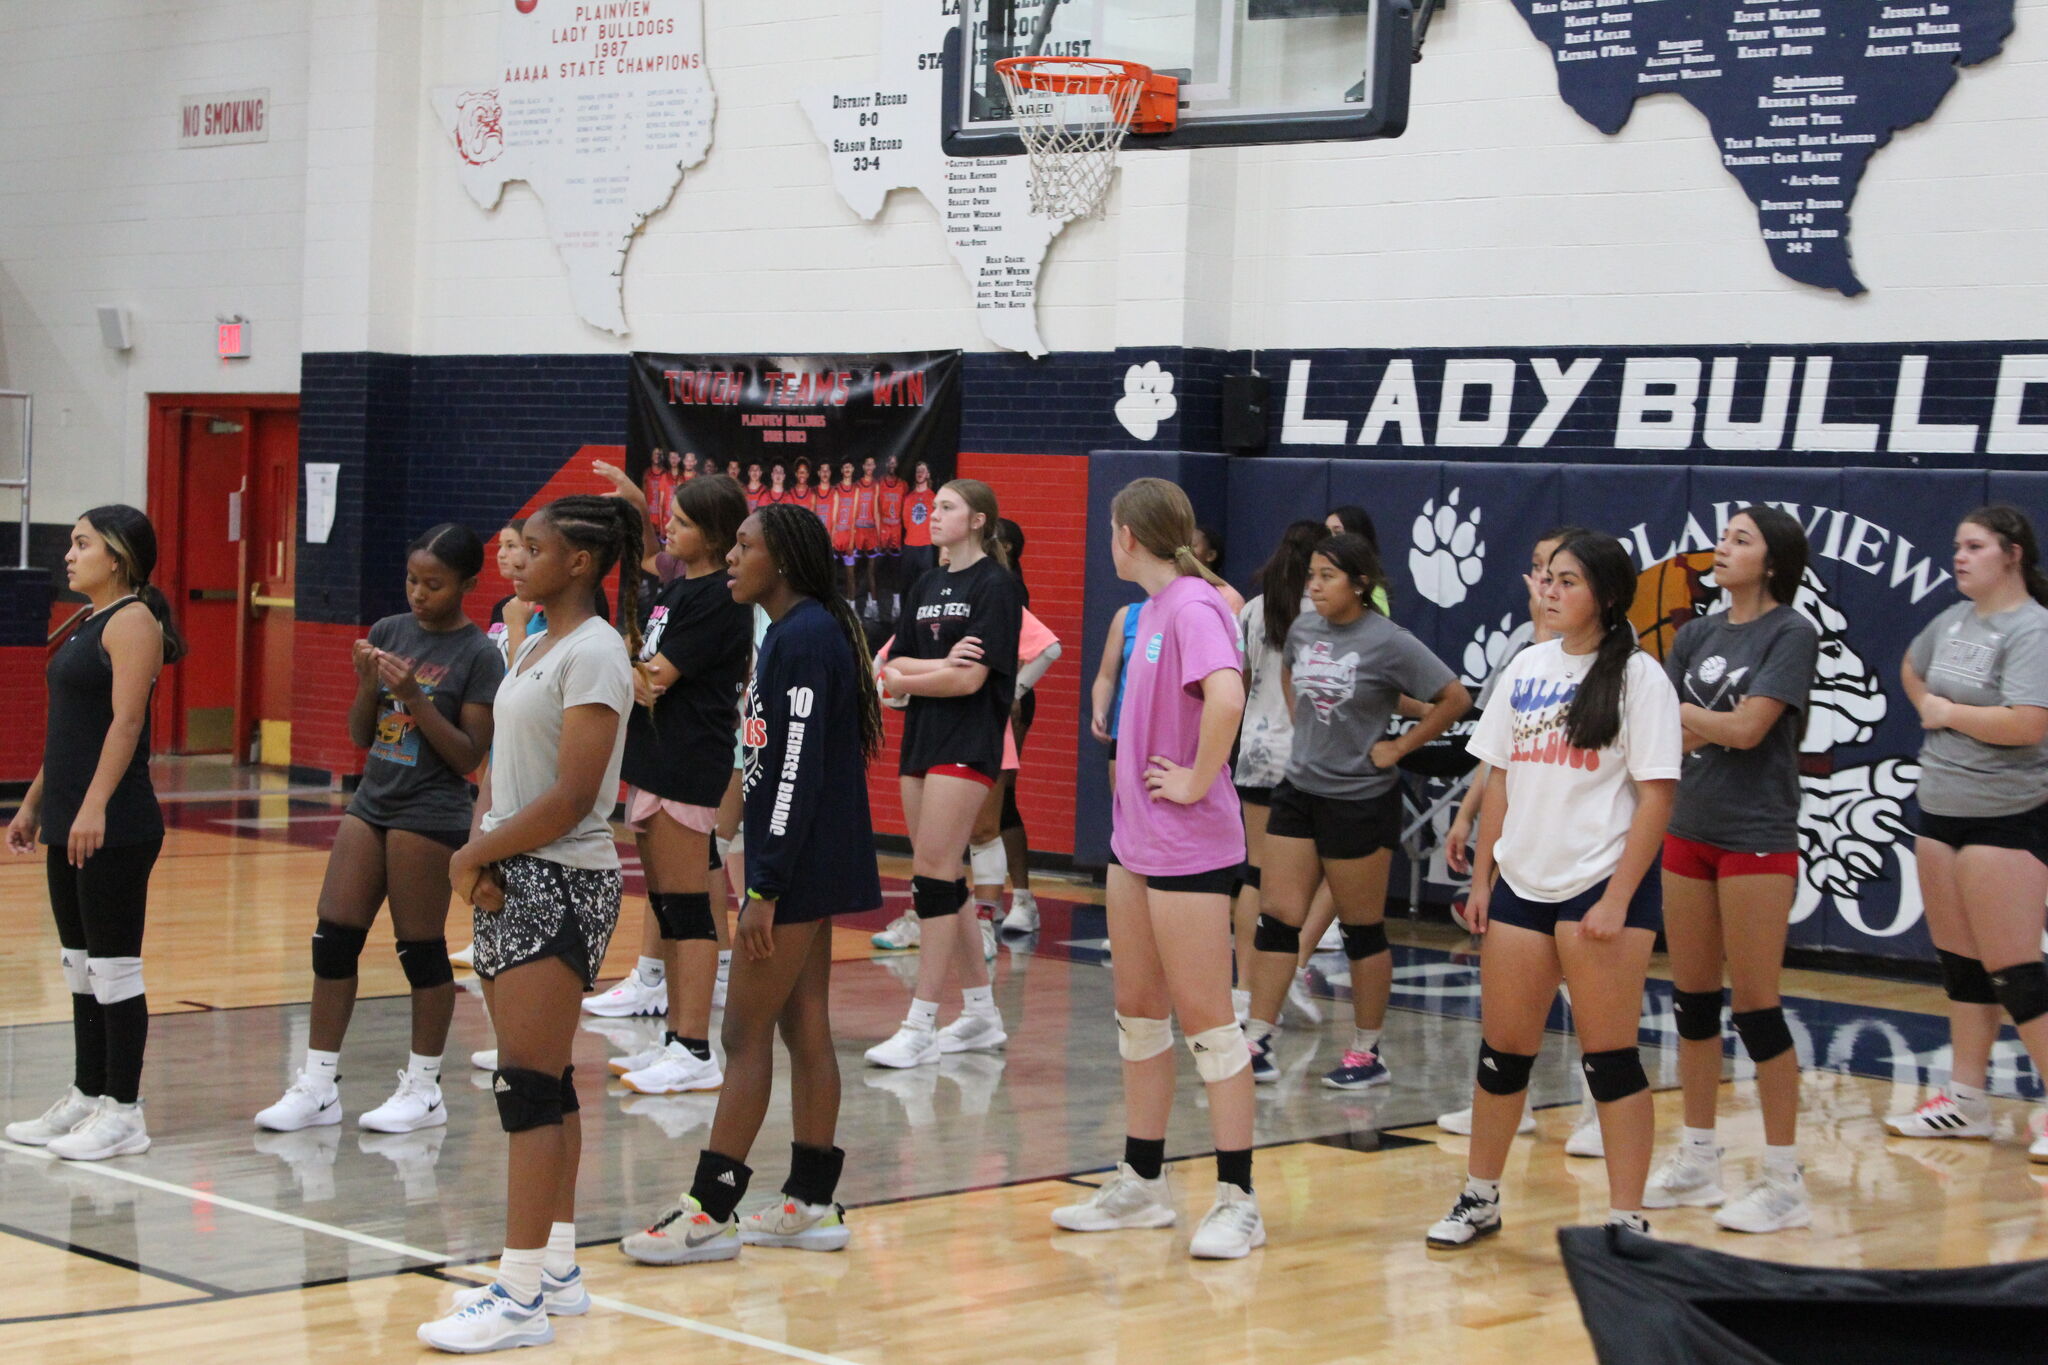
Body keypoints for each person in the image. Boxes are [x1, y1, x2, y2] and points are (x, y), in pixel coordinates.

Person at [621, 504, 884, 1264]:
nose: (733, 556)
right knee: (804, 1025)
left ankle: (710, 1210)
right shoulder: (795, 633)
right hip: (803, 859)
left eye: (746, 545)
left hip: (796, 867)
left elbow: (795, 770)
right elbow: (773, 763)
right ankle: (813, 1199)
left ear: (786, 561)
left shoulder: (802, 638)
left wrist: (763, 886)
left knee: (741, 1033)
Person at [415, 496, 637, 1353]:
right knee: (544, 1077)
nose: (517, 558)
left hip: (560, 876)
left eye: (534, 547)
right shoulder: (536, 640)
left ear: (580, 561)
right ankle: (558, 1266)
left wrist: (471, 858)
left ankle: (516, 1297)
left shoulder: (596, 651)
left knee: (527, 1088)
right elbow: (504, 773)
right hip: (513, 868)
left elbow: (576, 795)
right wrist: (478, 847)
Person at [1426, 530, 1681, 1248]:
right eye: (1547, 578)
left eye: (1567, 580)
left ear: (1603, 595)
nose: (1550, 590)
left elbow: (1656, 797)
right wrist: (1484, 876)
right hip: (1523, 883)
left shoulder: (1639, 678)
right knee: (1503, 1052)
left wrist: (1618, 897)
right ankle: (1480, 1195)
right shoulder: (1528, 666)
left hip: (1599, 883)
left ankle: (1628, 1216)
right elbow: (1501, 774)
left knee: (1609, 1056)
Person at [1049, 477, 1262, 1258]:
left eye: (1111, 529)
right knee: (1139, 1014)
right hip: (1134, 842)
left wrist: (1200, 780)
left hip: (1188, 845)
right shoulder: (1149, 612)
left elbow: (1228, 699)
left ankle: (1239, 1197)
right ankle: (1144, 1181)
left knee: (1208, 1021)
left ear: (1127, 537)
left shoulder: (1196, 607)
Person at [253, 525, 503, 1138]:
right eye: (413, 580)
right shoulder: (391, 631)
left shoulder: (478, 655)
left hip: (430, 810)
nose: (419, 593)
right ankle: (317, 1083)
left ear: (468, 585)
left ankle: (423, 1088)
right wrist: (369, 683)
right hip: (373, 801)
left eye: (434, 584)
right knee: (333, 938)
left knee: (419, 950)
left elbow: (468, 755)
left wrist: (415, 696)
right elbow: (361, 736)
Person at [1641, 506, 1820, 1232]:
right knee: (1691, 1002)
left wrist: (1687, 713)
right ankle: (1699, 1155)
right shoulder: (1697, 632)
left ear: (1773, 560)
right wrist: (1685, 719)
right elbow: (1665, 732)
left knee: (1756, 1006)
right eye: (1725, 535)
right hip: (1690, 829)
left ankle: (1783, 1177)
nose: (1725, 546)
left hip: (1756, 834)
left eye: (1742, 539)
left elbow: (1749, 729)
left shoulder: (1791, 632)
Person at [1243, 534, 1469, 1088]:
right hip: (1299, 790)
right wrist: (1307, 730)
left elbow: (1455, 699)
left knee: (1361, 930)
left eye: (1327, 577)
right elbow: (1292, 672)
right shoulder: (1302, 629)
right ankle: (1256, 1037)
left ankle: (1366, 1052)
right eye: (1312, 576)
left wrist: (1398, 747)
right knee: (1277, 917)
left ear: (1360, 584)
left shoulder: (1389, 641)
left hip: (1360, 800)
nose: (1314, 587)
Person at [5, 506, 184, 1161]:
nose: (70, 554)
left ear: (117, 556)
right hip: (71, 819)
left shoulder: (134, 620)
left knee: (112, 967)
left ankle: (124, 1110)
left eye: (81, 543)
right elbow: (72, 732)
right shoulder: (87, 619)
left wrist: (96, 805)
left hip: (117, 823)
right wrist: (33, 804)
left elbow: (126, 722)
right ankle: (87, 1093)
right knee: (79, 966)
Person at [1888, 505, 2048, 1165]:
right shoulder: (1952, 620)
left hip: (2004, 814)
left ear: (2011, 554)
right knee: (1961, 964)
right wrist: (1931, 704)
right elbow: (1910, 668)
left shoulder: (2032, 629)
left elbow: (2030, 722)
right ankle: (1965, 1099)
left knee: (2015, 968)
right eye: (1956, 545)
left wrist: (1949, 713)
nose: (1959, 556)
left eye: (1974, 546)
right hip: (1940, 809)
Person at [867, 480, 1024, 1067]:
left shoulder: (997, 587)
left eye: (948, 508)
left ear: (979, 520)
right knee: (943, 878)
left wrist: (910, 678)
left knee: (933, 876)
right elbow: (895, 663)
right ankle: (981, 1014)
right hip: (922, 739)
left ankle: (921, 1023)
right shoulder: (927, 583)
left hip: (968, 737)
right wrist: (919, 671)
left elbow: (971, 680)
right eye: (934, 508)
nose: (935, 516)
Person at [611, 476, 753, 1097]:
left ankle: (695, 1048)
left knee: (690, 908)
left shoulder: (720, 599)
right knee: (668, 908)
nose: (671, 529)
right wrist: (639, 510)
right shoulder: (679, 586)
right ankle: (675, 1040)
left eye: (684, 522)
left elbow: (653, 679)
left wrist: (601, 660)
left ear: (718, 536)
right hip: (656, 760)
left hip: (688, 764)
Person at [1231, 520, 1329, 1024]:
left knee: (1256, 873)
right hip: (1310, 755)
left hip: (1255, 750)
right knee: (1323, 873)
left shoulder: (1253, 608)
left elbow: (1241, 682)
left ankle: (1246, 989)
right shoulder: (1329, 613)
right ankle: (1290, 969)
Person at [878, 455, 909, 620]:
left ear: (897, 464)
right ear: (885, 464)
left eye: (894, 462)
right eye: (889, 461)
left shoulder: (903, 485)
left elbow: (907, 509)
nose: (891, 464)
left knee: (895, 571)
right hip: (882, 530)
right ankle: (877, 605)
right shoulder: (880, 483)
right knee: (878, 570)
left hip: (896, 529)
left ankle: (897, 605)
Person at [900, 461, 937, 583]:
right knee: (908, 582)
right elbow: (905, 522)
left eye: (923, 470)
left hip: (926, 546)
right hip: (910, 545)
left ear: (928, 475)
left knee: (925, 581)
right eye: (918, 471)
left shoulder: (934, 498)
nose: (920, 473)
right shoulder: (909, 497)